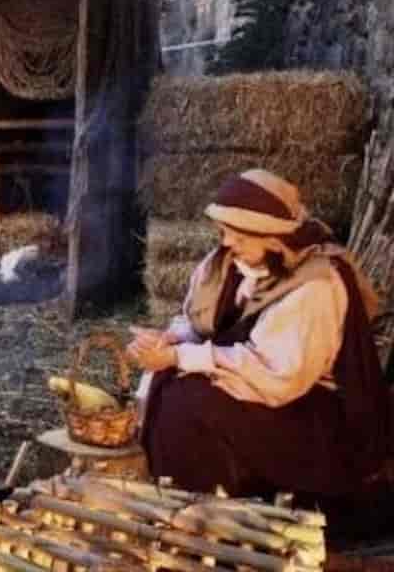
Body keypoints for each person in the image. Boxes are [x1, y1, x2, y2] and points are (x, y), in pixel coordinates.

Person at [129, 169, 389, 515]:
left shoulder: (317, 286)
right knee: (174, 387)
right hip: (260, 387)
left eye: (238, 236)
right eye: (223, 232)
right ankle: (188, 506)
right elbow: (199, 323)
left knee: (189, 401)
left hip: (313, 415)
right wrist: (171, 340)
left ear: (273, 238)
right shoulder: (231, 263)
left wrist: (180, 357)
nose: (226, 243)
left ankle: (216, 519)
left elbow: (276, 377)